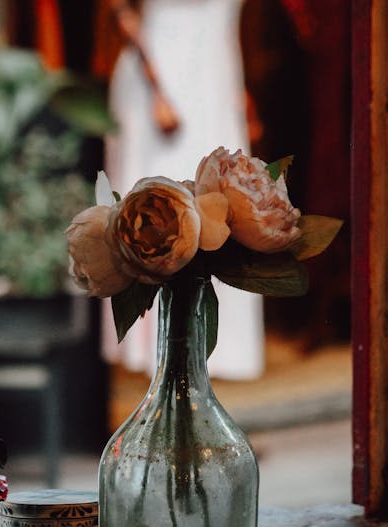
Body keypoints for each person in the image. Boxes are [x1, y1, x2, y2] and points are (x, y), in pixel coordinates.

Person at [94, 0, 265, 379]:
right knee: (166, 212)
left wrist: (241, 96)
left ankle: (212, 358)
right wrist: (157, 87)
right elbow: (119, 7)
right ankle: (161, 359)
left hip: (213, 85)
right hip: (166, 80)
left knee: (220, 209)